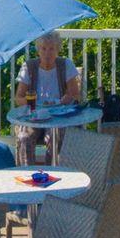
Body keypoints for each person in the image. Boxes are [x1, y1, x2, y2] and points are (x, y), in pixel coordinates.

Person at [13, 32, 82, 163]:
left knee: (55, 137)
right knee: (24, 137)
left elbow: (75, 95)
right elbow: (18, 98)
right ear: (38, 50)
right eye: (43, 48)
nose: (47, 53)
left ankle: (51, 171)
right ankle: (26, 172)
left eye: (51, 49)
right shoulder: (29, 67)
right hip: (34, 116)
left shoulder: (66, 65)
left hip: (58, 116)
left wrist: (68, 98)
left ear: (57, 50)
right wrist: (31, 102)